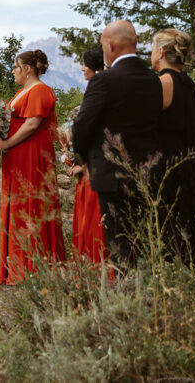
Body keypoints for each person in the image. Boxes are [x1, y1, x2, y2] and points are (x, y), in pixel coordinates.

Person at [72, 20, 162, 267]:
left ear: (110, 44)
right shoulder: (153, 79)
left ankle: (127, 297)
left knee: (119, 244)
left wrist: (82, 159)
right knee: (143, 241)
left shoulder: (104, 81)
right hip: (148, 171)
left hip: (111, 175)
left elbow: (82, 126)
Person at [0, 49, 65, 284]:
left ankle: (32, 266)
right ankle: (18, 264)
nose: (13, 71)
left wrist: (7, 143)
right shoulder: (22, 91)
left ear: (27, 69)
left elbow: (33, 123)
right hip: (18, 154)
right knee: (19, 201)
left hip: (32, 154)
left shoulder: (40, 90)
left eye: (15, 66)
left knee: (31, 202)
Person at [151, 28, 195, 260]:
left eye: (153, 49)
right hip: (189, 160)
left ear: (161, 52)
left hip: (166, 164)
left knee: (168, 228)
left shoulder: (163, 82)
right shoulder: (188, 83)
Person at [64, 49, 109, 264]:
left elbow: (89, 129)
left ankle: (94, 259)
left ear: (94, 66)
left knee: (92, 216)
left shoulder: (99, 85)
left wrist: (82, 163)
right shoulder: (102, 84)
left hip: (94, 165)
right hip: (91, 162)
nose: (82, 68)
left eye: (84, 64)